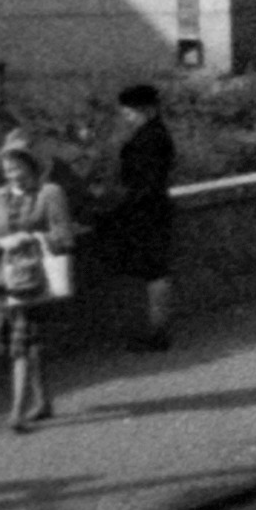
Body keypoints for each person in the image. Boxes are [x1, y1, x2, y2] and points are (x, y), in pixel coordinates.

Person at [0, 131, 76, 432]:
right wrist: (0, 246)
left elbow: (64, 236)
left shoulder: (50, 194)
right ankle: (43, 401)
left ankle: (17, 412)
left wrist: (32, 237)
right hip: (5, 281)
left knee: (22, 345)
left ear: (32, 167)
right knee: (29, 345)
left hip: (38, 281)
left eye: (17, 168)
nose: (12, 174)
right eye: (7, 169)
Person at [91, 81, 183, 348]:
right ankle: (157, 330)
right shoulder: (155, 134)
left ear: (145, 109)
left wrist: (118, 207)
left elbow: (145, 182)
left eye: (129, 111)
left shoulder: (150, 138)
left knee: (153, 271)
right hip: (152, 209)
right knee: (154, 271)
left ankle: (157, 332)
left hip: (146, 211)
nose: (126, 117)